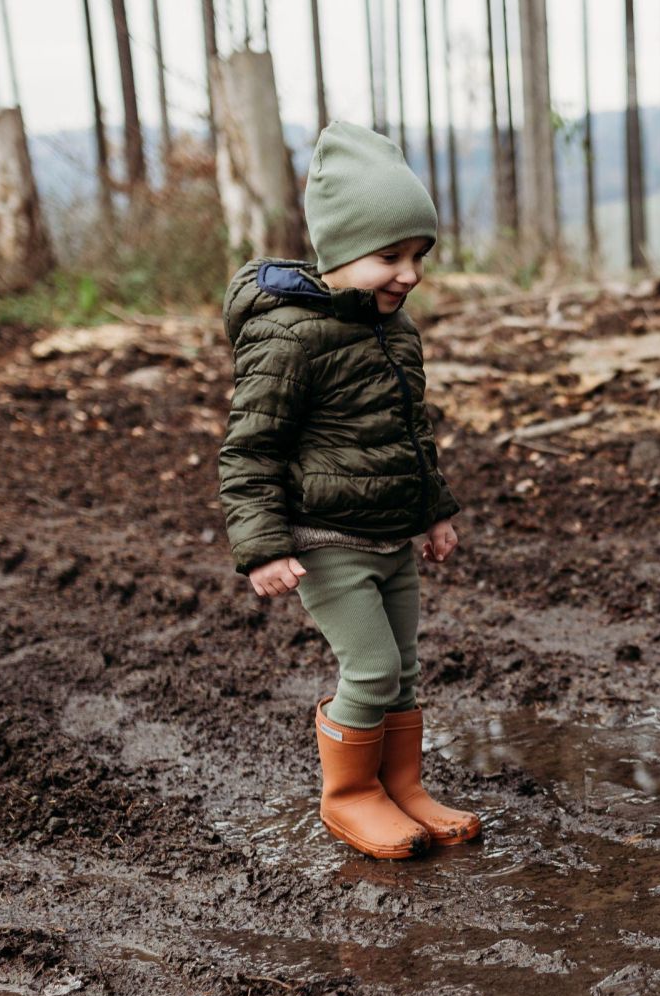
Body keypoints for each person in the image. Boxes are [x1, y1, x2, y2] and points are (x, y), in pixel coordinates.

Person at [217, 121, 480, 861]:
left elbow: (411, 432)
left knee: (405, 669)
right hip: (326, 538)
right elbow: (251, 449)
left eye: (419, 256)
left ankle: (404, 787)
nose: (410, 275)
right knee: (371, 668)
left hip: (392, 533)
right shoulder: (291, 337)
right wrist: (262, 547)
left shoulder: (396, 331)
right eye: (389, 257)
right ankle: (351, 796)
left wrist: (434, 513)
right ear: (337, 253)